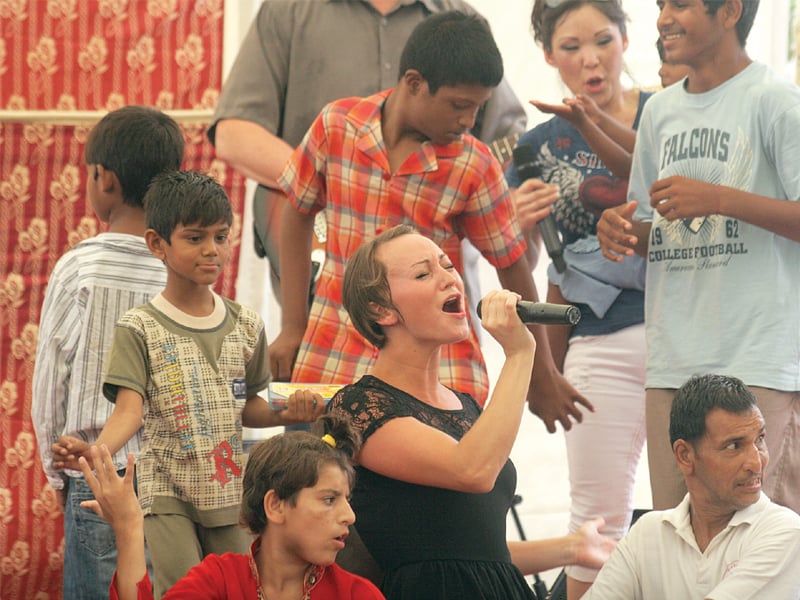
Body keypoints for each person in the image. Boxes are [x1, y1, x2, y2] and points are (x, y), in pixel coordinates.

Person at [272, 10, 591, 432]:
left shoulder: (472, 164)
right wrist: (292, 325)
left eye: (478, 108)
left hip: (437, 373)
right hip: (333, 353)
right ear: (414, 83)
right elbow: (295, 216)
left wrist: (542, 374)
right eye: (459, 105)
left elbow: (512, 267)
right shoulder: (338, 126)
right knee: (316, 478)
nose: (468, 121)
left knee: (438, 487)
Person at [51, 171, 327, 598]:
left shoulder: (246, 323)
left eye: (221, 237)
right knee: (182, 590)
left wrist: (289, 411)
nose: (211, 251)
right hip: (165, 492)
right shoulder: (139, 327)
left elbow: (248, 406)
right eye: (195, 238)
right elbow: (130, 410)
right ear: (157, 244)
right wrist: (97, 452)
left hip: (229, 490)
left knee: (241, 587)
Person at [327, 225, 616, 599]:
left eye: (448, 265)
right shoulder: (359, 407)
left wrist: (572, 548)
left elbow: (476, 552)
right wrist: (520, 352)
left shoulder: (465, 406)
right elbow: (472, 470)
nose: (450, 279)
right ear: (380, 309)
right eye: (424, 273)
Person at [597, 0, 800, 514]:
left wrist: (719, 198)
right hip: (673, 360)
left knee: (757, 543)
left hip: (757, 356)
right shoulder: (660, 112)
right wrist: (621, 231)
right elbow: (656, 228)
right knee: (677, 534)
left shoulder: (775, 99)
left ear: (729, 12)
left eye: (681, 4)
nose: (664, 17)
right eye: (661, 5)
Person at [207, 0, 527, 317]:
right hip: (328, 299)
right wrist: (335, 184)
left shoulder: (461, 20)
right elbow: (234, 133)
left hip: (436, 312)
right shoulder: (287, 11)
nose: (468, 118)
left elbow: (505, 141)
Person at [505, 2, 652, 597]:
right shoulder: (535, 145)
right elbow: (525, 266)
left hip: (690, 325)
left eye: (602, 41)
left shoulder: (668, 110)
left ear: (624, 39)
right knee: (595, 522)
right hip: (596, 337)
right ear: (547, 54)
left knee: (706, 513)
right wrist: (513, 226)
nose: (590, 59)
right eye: (570, 47)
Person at [31, 105, 184, 600]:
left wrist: (59, 477)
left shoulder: (80, 268)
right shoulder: (182, 268)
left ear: (106, 180)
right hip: (170, 481)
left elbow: (50, 385)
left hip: (97, 473)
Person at [76, 414, 386, 600]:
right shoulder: (220, 579)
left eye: (347, 500)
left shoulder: (357, 594)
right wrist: (129, 530)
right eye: (329, 500)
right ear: (275, 505)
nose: (349, 516)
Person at [585, 374, 800, 599]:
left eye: (760, 439)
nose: (757, 462)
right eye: (734, 446)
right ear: (685, 455)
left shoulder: (786, 532)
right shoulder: (647, 533)